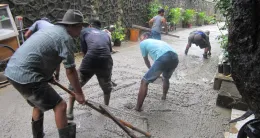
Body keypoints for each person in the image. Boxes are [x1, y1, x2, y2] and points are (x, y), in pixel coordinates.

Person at [4, 9, 87, 138]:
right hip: (26, 75)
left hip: (12, 71)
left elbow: (42, 55)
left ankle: (38, 136)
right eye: (80, 26)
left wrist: (48, 77)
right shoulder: (65, 39)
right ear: (72, 25)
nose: (81, 29)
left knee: (38, 104)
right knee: (61, 106)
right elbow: (70, 70)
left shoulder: (51, 30)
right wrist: (79, 93)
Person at [66, 19, 113, 120]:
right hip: (106, 60)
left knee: (75, 85)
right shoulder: (106, 34)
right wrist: (106, 73)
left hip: (90, 59)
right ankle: (106, 108)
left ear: (90, 26)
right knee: (107, 87)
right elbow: (109, 51)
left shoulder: (85, 31)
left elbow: (84, 51)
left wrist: (87, 66)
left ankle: (69, 112)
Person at [135, 32, 179, 112]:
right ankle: (164, 97)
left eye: (140, 38)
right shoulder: (158, 42)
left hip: (164, 57)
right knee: (165, 78)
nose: (140, 40)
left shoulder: (143, 43)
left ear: (145, 37)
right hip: (175, 58)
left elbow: (146, 60)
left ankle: (138, 108)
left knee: (144, 81)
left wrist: (150, 69)